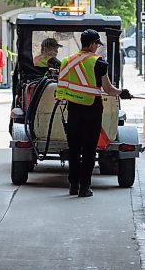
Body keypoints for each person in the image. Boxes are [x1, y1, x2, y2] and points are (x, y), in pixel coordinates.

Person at [56, 29, 132, 197]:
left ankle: (73, 185)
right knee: (90, 150)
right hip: (92, 109)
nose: (97, 47)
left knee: (74, 149)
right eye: (97, 44)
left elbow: (63, 86)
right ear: (91, 44)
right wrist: (122, 93)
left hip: (73, 109)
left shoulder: (67, 61)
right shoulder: (99, 63)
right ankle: (85, 187)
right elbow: (109, 89)